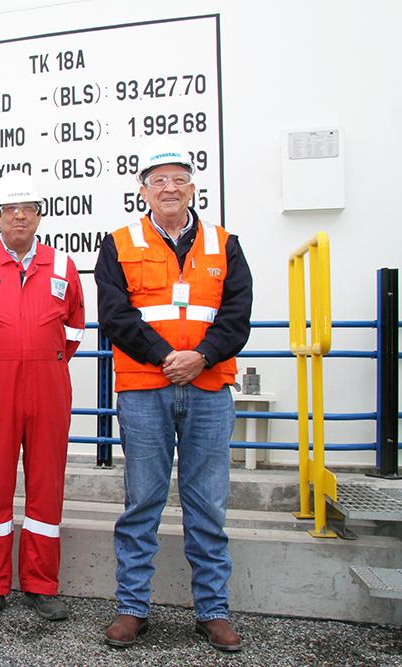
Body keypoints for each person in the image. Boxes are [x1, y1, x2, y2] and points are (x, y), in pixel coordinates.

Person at [95, 139, 252, 652]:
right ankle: (132, 608)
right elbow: (116, 316)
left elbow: (237, 317)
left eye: (179, 178)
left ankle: (212, 610)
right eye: (158, 179)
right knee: (142, 500)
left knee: (208, 503)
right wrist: (168, 357)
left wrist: (201, 357)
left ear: (193, 187)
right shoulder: (119, 242)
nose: (169, 187)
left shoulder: (224, 244)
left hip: (208, 389)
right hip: (145, 388)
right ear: (142, 190)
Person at [0, 171, 85, 622]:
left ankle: (41, 584)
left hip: (48, 386)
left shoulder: (63, 266)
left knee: (47, 484)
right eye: (10, 209)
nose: (20, 216)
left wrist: (43, 363)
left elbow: (73, 331)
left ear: (40, 215)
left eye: (28, 208)